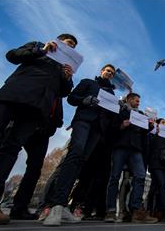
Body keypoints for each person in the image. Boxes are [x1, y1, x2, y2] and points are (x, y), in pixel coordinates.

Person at [0, 34, 77, 225]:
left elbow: (62, 92)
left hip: (37, 109)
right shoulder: (38, 46)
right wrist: (41, 50)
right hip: (14, 95)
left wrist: (67, 78)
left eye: (73, 46)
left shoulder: (63, 68)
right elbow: (13, 55)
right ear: (58, 42)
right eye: (68, 44)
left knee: (11, 150)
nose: (70, 47)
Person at [43, 64, 116, 226]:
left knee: (81, 162)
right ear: (101, 71)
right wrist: (84, 99)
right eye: (107, 70)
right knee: (74, 154)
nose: (109, 73)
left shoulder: (112, 94)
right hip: (84, 121)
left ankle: (62, 206)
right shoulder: (88, 82)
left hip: (98, 130)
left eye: (112, 73)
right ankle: (56, 204)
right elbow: (71, 98)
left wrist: (120, 108)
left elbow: (111, 116)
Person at [105, 92, 157, 223]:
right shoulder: (119, 110)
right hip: (120, 147)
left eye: (139, 100)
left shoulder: (140, 115)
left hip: (135, 149)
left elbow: (144, 132)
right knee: (115, 177)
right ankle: (110, 210)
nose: (138, 102)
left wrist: (149, 126)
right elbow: (111, 127)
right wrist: (121, 126)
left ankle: (136, 210)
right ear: (128, 99)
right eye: (136, 100)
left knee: (140, 175)